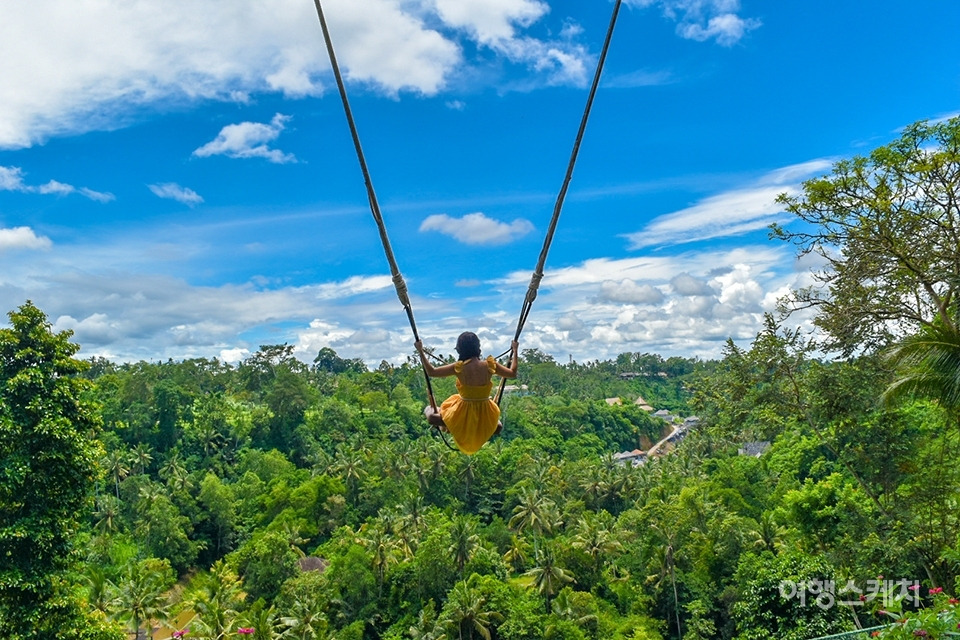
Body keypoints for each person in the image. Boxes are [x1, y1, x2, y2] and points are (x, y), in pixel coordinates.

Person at [414, 332, 519, 454]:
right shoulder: (490, 365)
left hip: (462, 413)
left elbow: (431, 372)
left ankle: (449, 426)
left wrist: (420, 351)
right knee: (497, 426)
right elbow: (512, 373)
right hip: (485, 411)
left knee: (429, 412)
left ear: (460, 350)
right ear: (478, 348)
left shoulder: (459, 367)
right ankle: (454, 426)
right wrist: (515, 350)